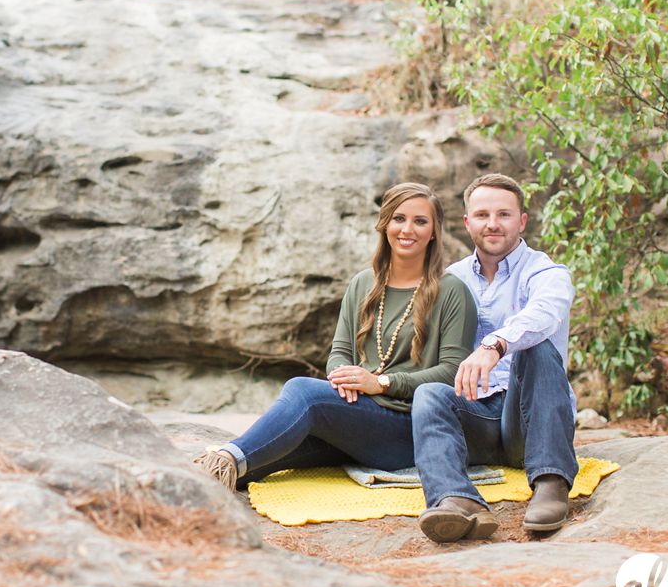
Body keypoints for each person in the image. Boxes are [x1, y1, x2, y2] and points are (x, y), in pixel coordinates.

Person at [193, 183, 478, 490]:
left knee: (303, 392)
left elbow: (452, 373)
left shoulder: (452, 291)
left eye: (420, 221)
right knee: (260, 464)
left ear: (434, 231)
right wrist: (344, 380)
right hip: (360, 419)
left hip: (410, 430)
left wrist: (379, 383)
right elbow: (340, 352)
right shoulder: (363, 284)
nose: (407, 229)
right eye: (398, 218)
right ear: (384, 224)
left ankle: (224, 458)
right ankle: (214, 473)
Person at [413, 173, 578, 542]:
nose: (493, 224)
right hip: (477, 418)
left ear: (522, 221)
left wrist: (495, 345)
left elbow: (545, 313)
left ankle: (551, 481)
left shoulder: (545, 271)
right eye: (483, 214)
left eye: (504, 214)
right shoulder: (450, 278)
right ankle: (456, 500)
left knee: (535, 344)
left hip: (528, 421)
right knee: (430, 394)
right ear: (467, 222)